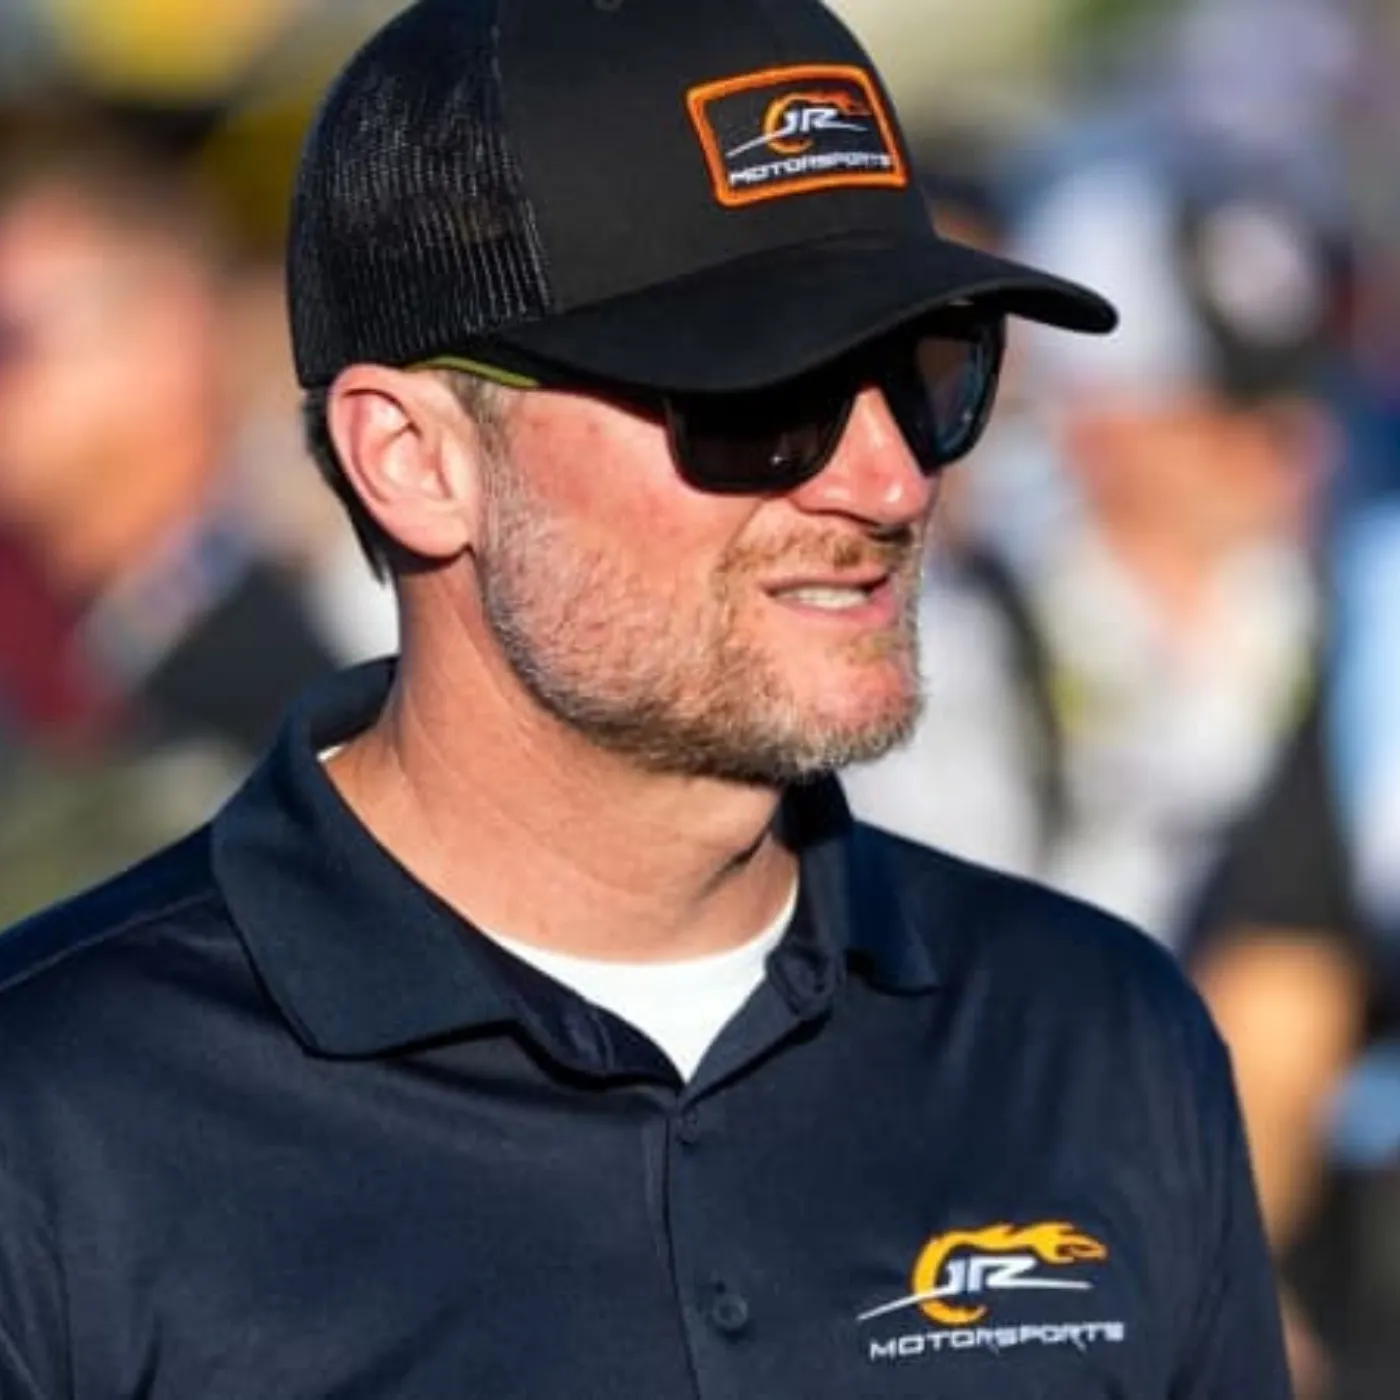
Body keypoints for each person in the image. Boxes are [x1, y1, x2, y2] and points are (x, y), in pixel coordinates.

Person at [0, 2, 1290, 1396]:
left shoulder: (1096, 1040)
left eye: (924, 374)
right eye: (761, 396)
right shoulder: (55, 1122)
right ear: (415, 460)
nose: (891, 480)